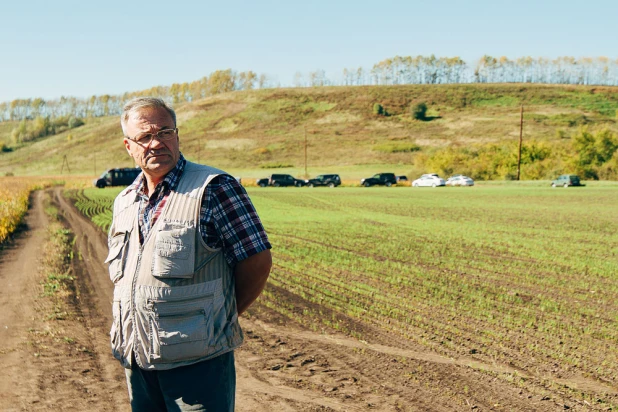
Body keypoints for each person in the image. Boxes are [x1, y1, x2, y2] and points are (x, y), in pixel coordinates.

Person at [105, 97, 272, 411]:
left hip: (198, 364)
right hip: (138, 360)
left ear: (177, 136)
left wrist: (219, 318)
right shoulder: (125, 201)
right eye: (145, 137)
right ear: (129, 146)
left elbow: (257, 261)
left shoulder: (214, 188)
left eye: (165, 132)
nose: (157, 143)